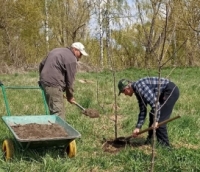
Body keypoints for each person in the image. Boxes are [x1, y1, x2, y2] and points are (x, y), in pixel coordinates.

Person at [118, 77, 179, 148]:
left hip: (170, 91)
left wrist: (156, 121)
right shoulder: (137, 91)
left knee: (160, 122)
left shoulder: (140, 88)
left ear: (127, 88)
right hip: (163, 92)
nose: (125, 94)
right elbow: (143, 110)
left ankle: (166, 148)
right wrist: (138, 127)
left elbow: (156, 105)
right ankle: (150, 140)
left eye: (123, 92)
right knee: (152, 114)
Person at [39, 42, 88, 120]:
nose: (81, 56)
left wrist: (42, 80)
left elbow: (41, 64)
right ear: (75, 50)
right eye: (80, 54)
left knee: (54, 109)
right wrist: (70, 96)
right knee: (58, 114)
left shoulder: (55, 50)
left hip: (45, 82)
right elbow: (70, 81)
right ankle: (58, 131)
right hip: (54, 85)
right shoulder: (72, 59)